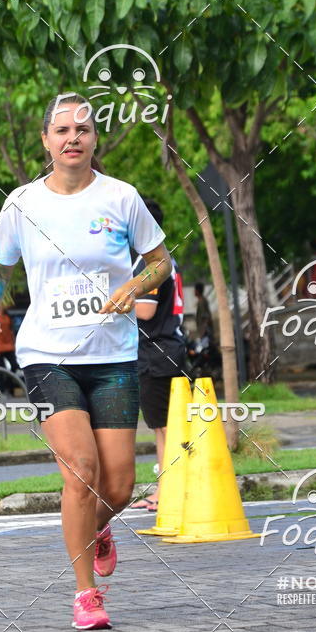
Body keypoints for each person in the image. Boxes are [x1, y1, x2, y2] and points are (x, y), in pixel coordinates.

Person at [0, 93, 171, 630]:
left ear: (94, 138)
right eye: (61, 130)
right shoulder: (22, 203)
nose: (72, 137)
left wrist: (135, 283)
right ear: (46, 140)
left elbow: (159, 263)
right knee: (81, 471)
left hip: (112, 357)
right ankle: (86, 594)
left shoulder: (122, 198)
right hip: (48, 356)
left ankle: (95, 528)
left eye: (82, 128)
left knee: (121, 486)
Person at [132, 199, 185, 513]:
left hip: (157, 353)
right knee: (164, 427)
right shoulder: (164, 260)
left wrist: (116, 297)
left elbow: (146, 310)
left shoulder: (148, 264)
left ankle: (167, 492)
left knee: (165, 428)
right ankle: (166, 489)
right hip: (167, 350)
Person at [0, 307, 19, 395]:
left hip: (9, 345)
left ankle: (9, 386)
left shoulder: (7, 315)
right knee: (1, 369)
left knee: (14, 365)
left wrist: (14, 343)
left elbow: (11, 330)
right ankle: (2, 390)